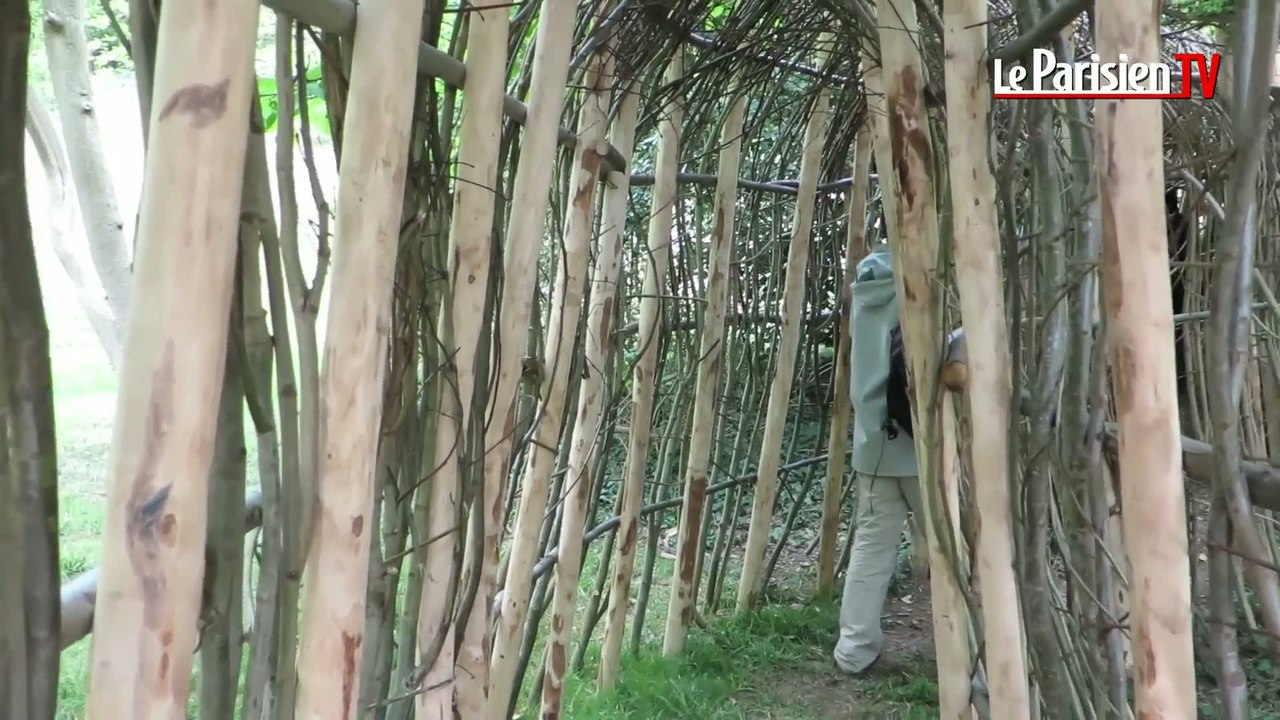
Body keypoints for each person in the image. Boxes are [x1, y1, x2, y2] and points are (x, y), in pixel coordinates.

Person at [832, 240, 922, 676]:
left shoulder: (865, 291)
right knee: (963, 554)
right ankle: (982, 659)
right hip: (923, 449)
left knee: (870, 550)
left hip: (874, 443)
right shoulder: (922, 284)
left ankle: (854, 652)